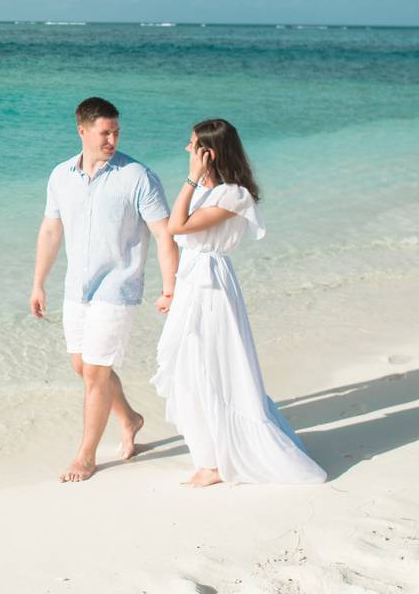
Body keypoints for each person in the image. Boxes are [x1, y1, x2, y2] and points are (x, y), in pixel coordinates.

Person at [151, 118, 327, 487]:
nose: (187, 149)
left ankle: (217, 463)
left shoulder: (235, 194)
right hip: (193, 284)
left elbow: (176, 227)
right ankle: (209, 457)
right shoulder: (205, 188)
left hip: (212, 288)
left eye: (192, 145)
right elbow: (180, 233)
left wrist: (189, 178)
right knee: (187, 369)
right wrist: (173, 292)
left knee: (211, 368)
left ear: (208, 152)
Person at [30, 97, 178, 483]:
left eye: (116, 132)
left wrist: (169, 287)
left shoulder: (137, 177)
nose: (112, 139)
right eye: (104, 132)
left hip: (118, 286)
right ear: (82, 131)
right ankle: (130, 418)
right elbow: (50, 231)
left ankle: (85, 456)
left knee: (96, 372)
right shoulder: (60, 175)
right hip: (76, 287)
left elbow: (164, 234)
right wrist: (38, 283)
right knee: (83, 367)